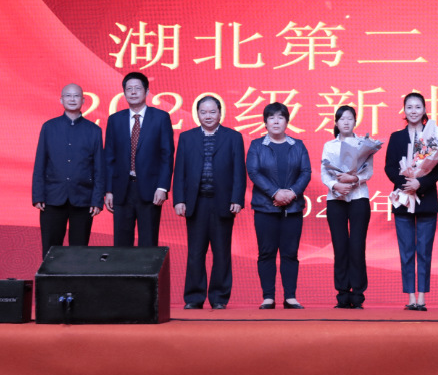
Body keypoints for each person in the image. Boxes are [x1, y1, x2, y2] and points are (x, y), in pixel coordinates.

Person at [173, 96, 246, 310]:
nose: (208, 116)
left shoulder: (233, 137)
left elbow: (239, 171)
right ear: (197, 114)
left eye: (212, 112)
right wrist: (179, 199)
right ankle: (194, 297)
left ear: (220, 113)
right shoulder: (186, 137)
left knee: (221, 252)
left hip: (222, 202)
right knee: (195, 253)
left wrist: (237, 198)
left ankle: (219, 298)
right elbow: (180, 171)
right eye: (203, 112)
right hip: (195, 203)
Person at [246, 102, 312, 310]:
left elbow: (306, 172)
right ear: (265, 122)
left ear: (287, 122)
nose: (276, 121)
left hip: (292, 209)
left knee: (290, 253)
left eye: (280, 117)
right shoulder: (257, 145)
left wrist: (291, 193)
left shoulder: (298, 145)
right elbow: (253, 172)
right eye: (271, 117)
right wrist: (275, 193)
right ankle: (268, 297)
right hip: (265, 208)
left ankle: (290, 297)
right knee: (266, 252)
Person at [384, 93, 438, 311]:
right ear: (404, 110)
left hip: (426, 199)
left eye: (418, 107)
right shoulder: (396, 137)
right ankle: (410, 297)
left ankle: (422, 297)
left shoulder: (432, 136)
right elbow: (390, 167)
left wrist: (420, 184)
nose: (414, 111)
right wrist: (406, 183)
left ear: (424, 110)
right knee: (406, 250)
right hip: (403, 199)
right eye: (409, 107)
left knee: (424, 251)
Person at [32, 83, 104, 259]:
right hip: (52, 197)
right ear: (61, 100)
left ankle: (76, 279)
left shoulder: (94, 130)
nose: (72, 99)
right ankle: (50, 279)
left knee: (79, 254)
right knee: (50, 252)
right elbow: (40, 163)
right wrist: (38, 195)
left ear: (83, 100)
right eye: (68, 96)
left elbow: (99, 168)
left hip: (83, 199)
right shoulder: (49, 127)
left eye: (76, 96)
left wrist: (97, 199)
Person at [104, 72, 175, 247]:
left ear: (147, 91)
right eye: (129, 89)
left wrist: (162, 187)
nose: (133, 92)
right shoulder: (115, 120)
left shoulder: (161, 118)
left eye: (137, 88)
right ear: (124, 93)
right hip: (122, 189)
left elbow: (166, 155)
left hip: (151, 190)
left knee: (148, 244)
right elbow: (109, 157)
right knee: (121, 245)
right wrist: (109, 190)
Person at [321, 106, 373, 309]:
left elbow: (368, 171)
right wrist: (336, 185)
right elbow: (324, 173)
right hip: (336, 199)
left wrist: (354, 179)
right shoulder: (329, 145)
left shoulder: (364, 144)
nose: (345, 122)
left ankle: (358, 295)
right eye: (342, 119)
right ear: (336, 122)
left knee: (357, 247)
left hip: (359, 197)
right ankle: (342, 294)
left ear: (355, 122)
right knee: (340, 247)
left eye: (350, 118)